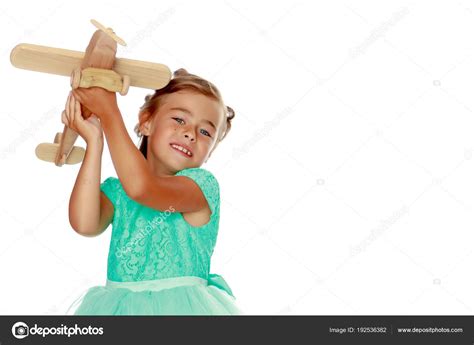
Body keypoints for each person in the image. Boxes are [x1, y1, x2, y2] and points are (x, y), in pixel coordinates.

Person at [63, 68, 242, 315]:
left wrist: (109, 112)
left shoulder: (200, 187)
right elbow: (84, 224)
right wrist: (95, 142)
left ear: (210, 151)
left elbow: (142, 188)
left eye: (205, 132)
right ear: (146, 122)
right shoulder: (118, 191)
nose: (190, 133)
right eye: (179, 119)